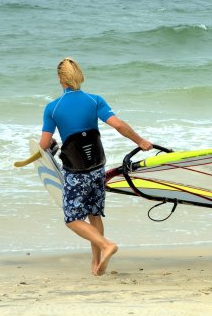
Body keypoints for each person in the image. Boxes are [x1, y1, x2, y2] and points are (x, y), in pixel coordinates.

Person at [39, 57, 153, 276]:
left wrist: (47, 146)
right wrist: (140, 141)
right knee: (94, 214)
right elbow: (118, 125)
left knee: (72, 219)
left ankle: (105, 245)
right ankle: (96, 263)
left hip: (76, 171)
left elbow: (44, 144)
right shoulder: (95, 100)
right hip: (97, 166)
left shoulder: (53, 108)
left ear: (61, 79)